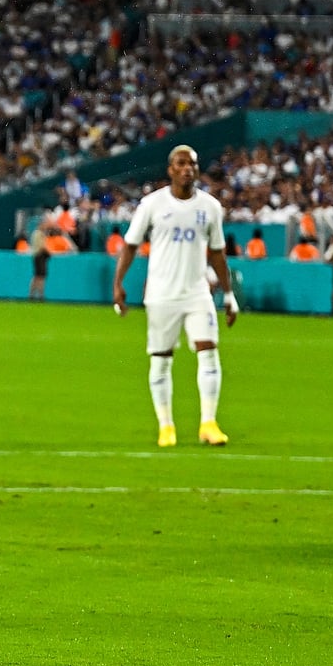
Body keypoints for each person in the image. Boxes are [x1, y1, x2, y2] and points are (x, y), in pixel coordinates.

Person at [113, 145, 238, 448]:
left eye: (192, 164)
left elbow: (218, 254)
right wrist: (118, 284)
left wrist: (229, 294)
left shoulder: (209, 207)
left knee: (209, 351)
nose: (187, 169)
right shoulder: (152, 204)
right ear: (170, 169)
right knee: (161, 359)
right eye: (181, 164)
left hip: (198, 292)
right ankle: (166, 426)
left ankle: (208, 423)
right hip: (161, 294)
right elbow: (130, 245)